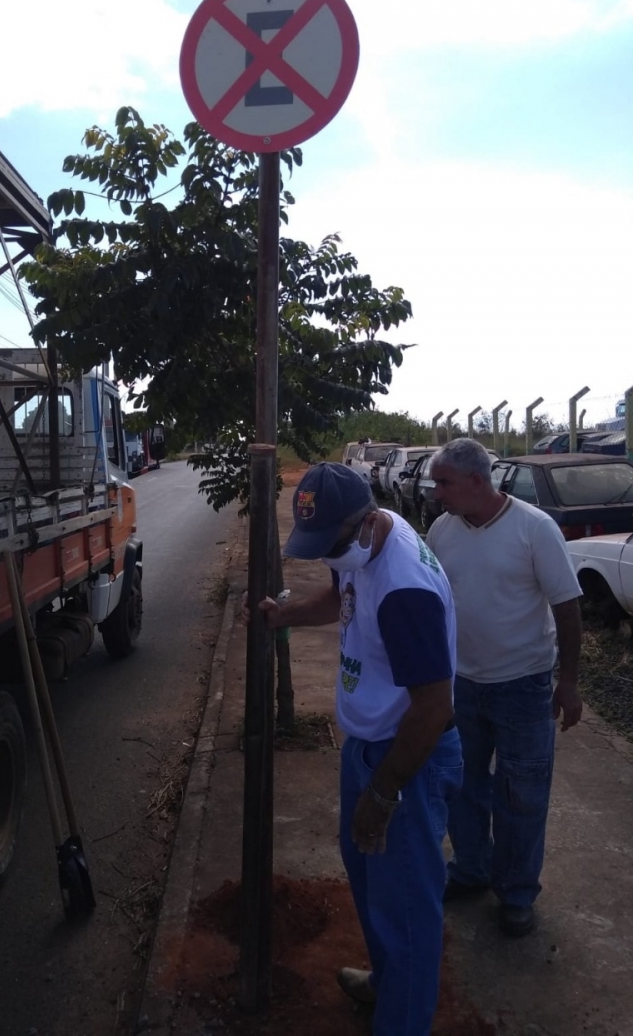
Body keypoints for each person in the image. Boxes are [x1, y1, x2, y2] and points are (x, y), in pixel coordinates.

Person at [244, 462, 462, 1036]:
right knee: (369, 880)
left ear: (362, 523)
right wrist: (284, 614)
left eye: (330, 545)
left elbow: (433, 708)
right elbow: (339, 597)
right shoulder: (368, 540)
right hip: (369, 747)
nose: (326, 559)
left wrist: (385, 790)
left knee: (407, 909)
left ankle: (402, 1020)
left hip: (406, 760)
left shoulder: (402, 590)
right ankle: (389, 983)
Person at [425, 438, 583, 938]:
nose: (435, 493)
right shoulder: (441, 530)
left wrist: (570, 682)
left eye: (444, 483)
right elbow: (433, 602)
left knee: (521, 794)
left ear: (476, 481)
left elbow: (567, 608)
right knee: (463, 787)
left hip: (524, 687)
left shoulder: (535, 529)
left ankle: (516, 893)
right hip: (461, 686)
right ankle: (471, 870)